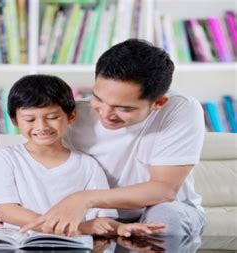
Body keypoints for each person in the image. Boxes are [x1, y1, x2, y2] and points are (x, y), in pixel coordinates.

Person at [20, 39, 206, 236]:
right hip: (97, 215)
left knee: (166, 218)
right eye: (98, 99)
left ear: (158, 102)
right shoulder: (74, 115)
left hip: (163, 208)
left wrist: (83, 199)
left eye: (124, 108)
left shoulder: (180, 109)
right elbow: (31, 161)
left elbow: (164, 190)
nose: (106, 114)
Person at [0, 74, 165, 237]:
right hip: (21, 244)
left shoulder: (87, 164)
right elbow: (8, 211)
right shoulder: (3, 157)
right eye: (30, 119)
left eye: (52, 117)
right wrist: (77, 228)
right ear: (15, 121)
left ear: (71, 117)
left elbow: (101, 219)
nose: (41, 127)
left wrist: (121, 228)